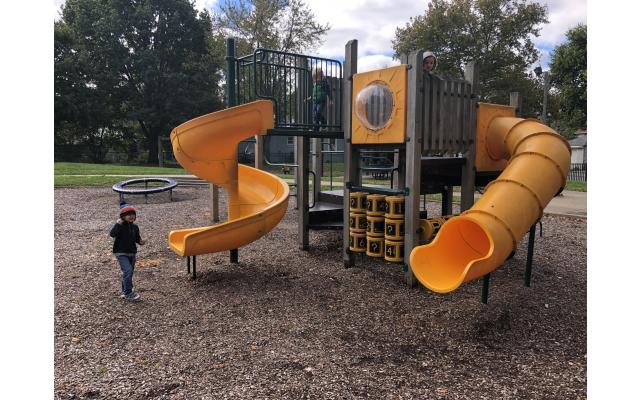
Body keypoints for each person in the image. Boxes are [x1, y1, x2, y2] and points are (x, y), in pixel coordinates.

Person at [110, 201, 146, 300]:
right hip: (121, 252)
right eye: (128, 215)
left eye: (133, 214)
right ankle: (128, 293)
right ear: (122, 216)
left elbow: (137, 238)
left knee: (128, 273)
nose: (131, 216)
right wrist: (117, 224)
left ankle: (124, 290)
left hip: (132, 252)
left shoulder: (135, 227)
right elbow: (112, 234)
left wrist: (140, 241)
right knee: (128, 270)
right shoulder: (120, 226)